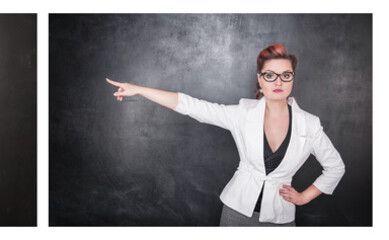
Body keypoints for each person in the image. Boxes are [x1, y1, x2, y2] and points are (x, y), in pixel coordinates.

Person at [105, 44, 345, 226]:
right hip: (236, 213)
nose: (278, 81)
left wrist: (304, 197)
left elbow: (335, 166)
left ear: (292, 79)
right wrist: (139, 89)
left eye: (286, 75)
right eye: (270, 75)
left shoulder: (310, 124)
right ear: (260, 79)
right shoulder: (242, 113)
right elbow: (193, 106)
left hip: (280, 219)